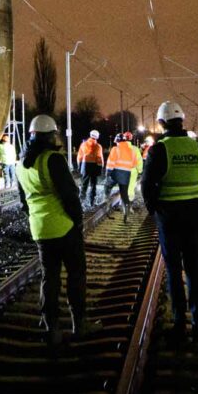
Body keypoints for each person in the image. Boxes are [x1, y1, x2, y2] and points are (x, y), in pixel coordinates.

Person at [140, 100, 198, 340]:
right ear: (182, 120)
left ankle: (178, 321)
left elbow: (146, 185)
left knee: (174, 269)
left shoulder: (159, 149)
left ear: (162, 123)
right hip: (193, 214)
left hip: (169, 216)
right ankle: (197, 321)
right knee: (193, 267)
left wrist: (155, 209)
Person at [15, 114, 91, 346]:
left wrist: (37, 219)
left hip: (40, 230)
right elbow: (70, 195)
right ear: (51, 136)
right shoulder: (53, 159)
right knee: (76, 275)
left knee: (50, 278)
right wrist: (77, 222)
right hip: (64, 227)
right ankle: (79, 324)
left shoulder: (20, 165)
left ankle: (52, 327)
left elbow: (23, 202)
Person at [104, 132, 139, 221]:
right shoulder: (132, 150)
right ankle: (126, 213)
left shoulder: (116, 149)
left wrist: (108, 173)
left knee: (107, 186)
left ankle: (106, 202)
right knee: (124, 194)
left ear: (117, 141)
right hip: (126, 174)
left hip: (116, 173)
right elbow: (134, 164)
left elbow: (110, 162)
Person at [76, 130, 105, 205]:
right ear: (97, 136)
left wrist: (79, 166)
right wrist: (100, 167)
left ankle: (81, 201)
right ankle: (92, 202)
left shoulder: (83, 144)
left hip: (85, 166)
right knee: (93, 185)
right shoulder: (98, 146)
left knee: (84, 184)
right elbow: (100, 158)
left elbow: (79, 156)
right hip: (94, 166)